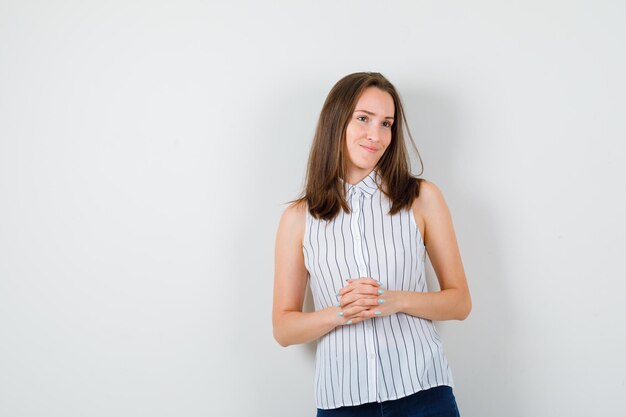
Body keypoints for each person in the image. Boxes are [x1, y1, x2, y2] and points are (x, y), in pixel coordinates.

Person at [272, 72, 472, 417]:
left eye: (386, 124)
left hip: (423, 395)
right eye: (363, 119)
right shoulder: (298, 218)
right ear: (336, 122)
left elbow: (460, 303)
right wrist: (342, 312)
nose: (376, 135)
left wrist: (392, 300)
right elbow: (284, 328)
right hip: (341, 403)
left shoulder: (422, 198)